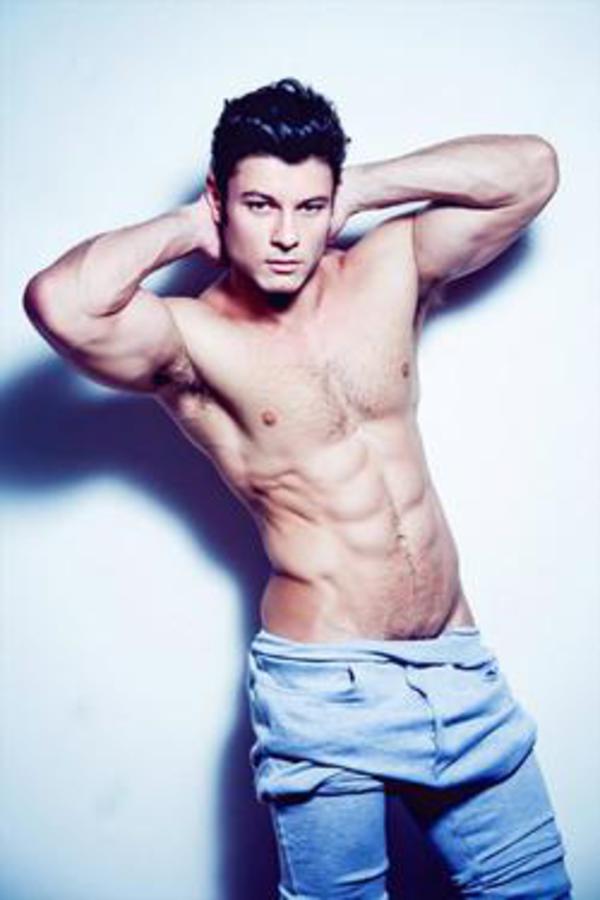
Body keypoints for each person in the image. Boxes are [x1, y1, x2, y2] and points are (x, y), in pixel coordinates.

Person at [24, 77, 571, 898]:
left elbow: (531, 170)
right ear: (222, 200)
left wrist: (365, 187)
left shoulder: (388, 267)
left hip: (456, 666)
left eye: (309, 207)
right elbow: (59, 303)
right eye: (260, 206)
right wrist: (188, 225)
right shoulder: (192, 337)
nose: (286, 235)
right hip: (326, 691)